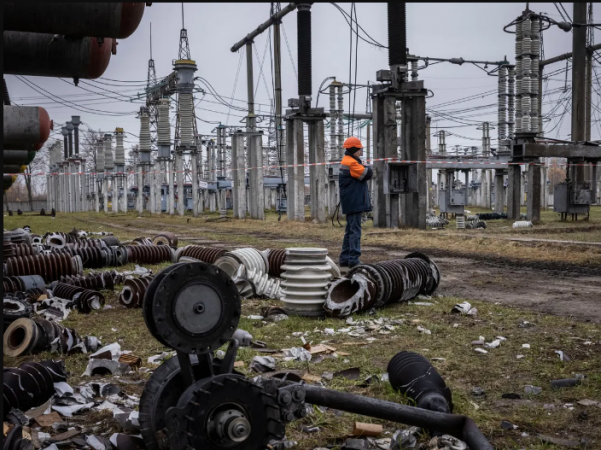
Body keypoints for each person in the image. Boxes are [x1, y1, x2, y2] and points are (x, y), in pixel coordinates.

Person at [338, 136, 373, 268]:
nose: (360, 152)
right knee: (355, 231)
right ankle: (354, 259)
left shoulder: (348, 160)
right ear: (353, 149)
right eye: (359, 150)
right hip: (354, 201)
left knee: (350, 230)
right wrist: (367, 167)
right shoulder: (351, 162)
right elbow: (367, 174)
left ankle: (345, 258)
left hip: (351, 200)